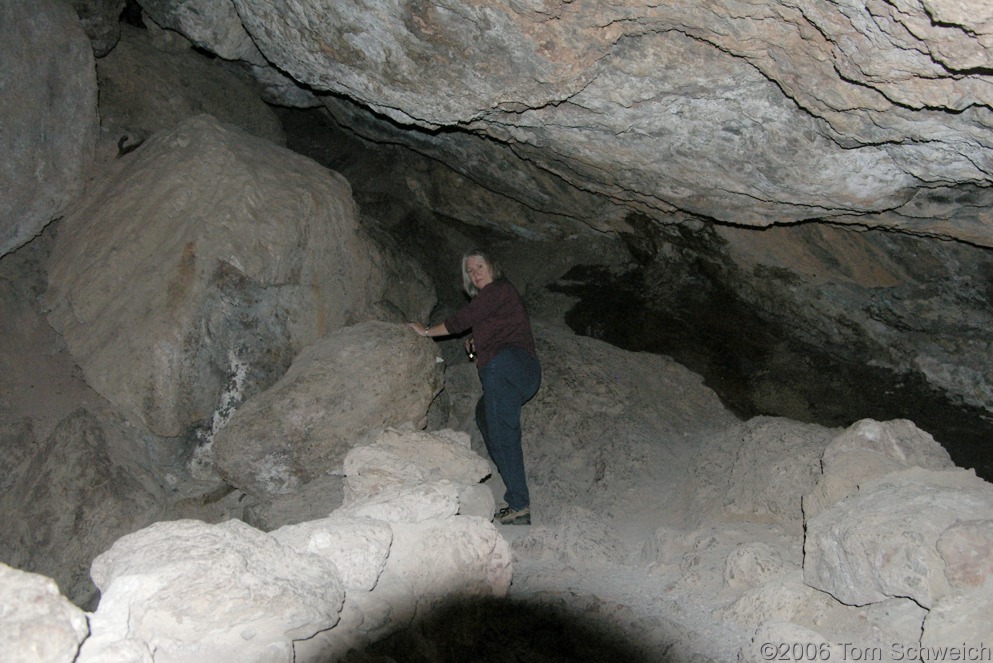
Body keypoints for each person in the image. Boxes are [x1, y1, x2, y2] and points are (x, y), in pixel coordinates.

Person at [408, 249, 541, 525]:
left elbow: (460, 321)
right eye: (470, 271)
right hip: (517, 372)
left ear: (492, 267)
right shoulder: (494, 304)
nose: (475, 273)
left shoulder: (497, 290)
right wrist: (476, 344)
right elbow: (489, 327)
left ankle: (520, 504)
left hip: (509, 365)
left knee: (503, 431)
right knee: (485, 416)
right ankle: (517, 500)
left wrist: (426, 330)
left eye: (479, 266)